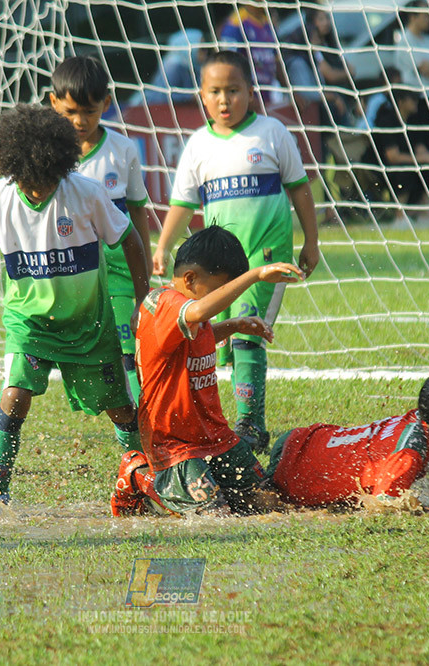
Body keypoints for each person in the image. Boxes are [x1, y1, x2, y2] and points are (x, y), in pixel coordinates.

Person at [0, 105, 150, 504]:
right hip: (30, 324)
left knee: (121, 408)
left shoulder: (86, 193)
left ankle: (144, 475)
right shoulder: (0, 200)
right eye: (29, 181)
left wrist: (142, 299)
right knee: (15, 394)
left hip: (88, 325)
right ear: (13, 170)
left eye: (47, 180)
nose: (38, 189)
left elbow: (129, 240)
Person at [152, 50, 320, 455]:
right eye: (215, 91)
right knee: (212, 339)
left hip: (266, 259)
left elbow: (299, 187)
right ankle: (222, 419)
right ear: (202, 96)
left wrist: (311, 241)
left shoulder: (272, 133)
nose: (225, 99)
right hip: (217, 269)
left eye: (233, 90)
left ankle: (251, 425)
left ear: (251, 91)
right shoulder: (197, 145)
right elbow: (183, 204)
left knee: (247, 337)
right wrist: (163, 245)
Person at [111, 226, 303, 517]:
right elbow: (198, 313)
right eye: (218, 290)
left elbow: (194, 341)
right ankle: (139, 475)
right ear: (189, 279)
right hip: (175, 445)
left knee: (266, 503)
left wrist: (234, 325)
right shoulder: (163, 303)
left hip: (215, 437)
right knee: (214, 515)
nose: (221, 302)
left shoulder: (189, 315)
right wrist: (255, 276)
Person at [49, 56, 152, 402]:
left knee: (129, 348)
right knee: (86, 351)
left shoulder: (122, 150)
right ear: (53, 103)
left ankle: (145, 428)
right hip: (71, 270)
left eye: (90, 112)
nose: (80, 121)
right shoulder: (46, 154)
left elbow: (137, 213)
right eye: (70, 112)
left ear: (106, 104)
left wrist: (146, 267)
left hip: (119, 266)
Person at [266, 367, 429, 507]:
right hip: (290, 466)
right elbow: (383, 505)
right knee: (257, 502)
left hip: (304, 440)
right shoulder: (408, 454)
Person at [130, 29, 204, 107]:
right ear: (190, 48)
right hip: (149, 106)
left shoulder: (195, 65)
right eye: (202, 49)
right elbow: (164, 95)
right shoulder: (173, 65)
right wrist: (191, 97)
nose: (206, 52)